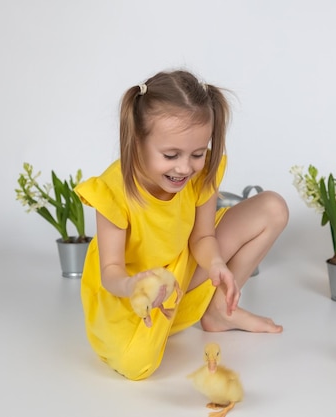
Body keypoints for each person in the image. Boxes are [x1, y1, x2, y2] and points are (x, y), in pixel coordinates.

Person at [75, 69, 289, 381]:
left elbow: (202, 236)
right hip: (135, 292)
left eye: (197, 154)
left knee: (272, 208)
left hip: (183, 268)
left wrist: (217, 264)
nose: (184, 167)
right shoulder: (114, 189)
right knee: (136, 366)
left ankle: (218, 310)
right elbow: (110, 271)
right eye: (171, 154)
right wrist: (133, 287)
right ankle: (160, 318)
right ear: (137, 141)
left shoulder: (200, 173)